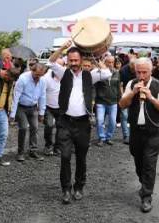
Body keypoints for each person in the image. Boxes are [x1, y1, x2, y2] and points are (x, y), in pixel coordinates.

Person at [47, 41, 111, 204]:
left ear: (81, 60)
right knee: (65, 157)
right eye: (71, 61)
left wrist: (94, 57)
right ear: (68, 60)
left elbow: (107, 73)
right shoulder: (63, 73)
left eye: (76, 60)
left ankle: (79, 187)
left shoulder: (90, 75)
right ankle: (66, 189)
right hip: (65, 122)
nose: (73, 64)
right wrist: (62, 49)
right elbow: (51, 62)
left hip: (83, 123)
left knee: (81, 157)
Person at [119, 57, 159, 213]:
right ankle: (144, 183)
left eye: (144, 72)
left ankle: (146, 197)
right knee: (138, 160)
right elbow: (122, 104)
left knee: (149, 163)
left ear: (151, 70)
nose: (141, 76)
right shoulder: (131, 84)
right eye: (138, 72)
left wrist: (151, 98)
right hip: (136, 131)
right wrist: (133, 93)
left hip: (153, 132)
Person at [10, 63, 47, 162]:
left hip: (33, 107)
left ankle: (33, 151)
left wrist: (42, 113)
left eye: (41, 75)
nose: (38, 77)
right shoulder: (23, 79)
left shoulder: (43, 80)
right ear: (32, 71)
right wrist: (12, 114)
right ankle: (20, 152)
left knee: (35, 127)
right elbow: (16, 96)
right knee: (23, 127)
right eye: (36, 75)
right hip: (21, 107)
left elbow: (43, 96)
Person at [94, 55, 121, 147]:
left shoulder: (117, 72)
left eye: (112, 62)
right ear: (104, 63)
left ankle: (108, 137)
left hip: (113, 101)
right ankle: (101, 137)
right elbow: (95, 87)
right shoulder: (99, 72)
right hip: (101, 101)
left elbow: (118, 86)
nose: (110, 64)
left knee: (113, 121)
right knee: (100, 120)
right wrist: (95, 99)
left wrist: (119, 99)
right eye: (108, 62)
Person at [42, 58, 64, 156]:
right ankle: (48, 146)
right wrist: (41, 109)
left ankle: (57, 147)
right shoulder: (46, 78)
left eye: (60, 66)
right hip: (48, 106)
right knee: (49, 126)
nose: (57, 68)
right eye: (56, 66)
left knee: (61, 128)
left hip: (61, 107)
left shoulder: (66, 76)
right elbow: (41, 94)